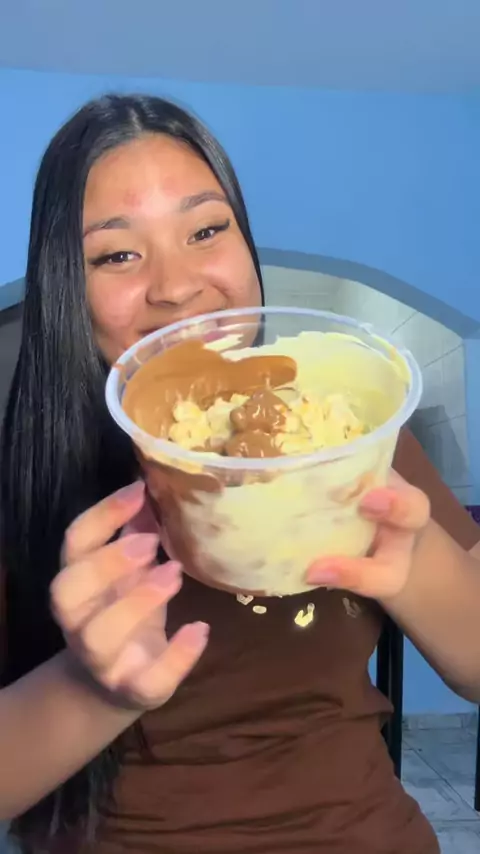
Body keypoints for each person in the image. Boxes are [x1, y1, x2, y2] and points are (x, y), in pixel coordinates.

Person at [0, 93, 479, 854]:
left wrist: (408, 553)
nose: (177, 285)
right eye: (117, 254)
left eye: (206, 230)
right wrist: (94, 687)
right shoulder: (21, 480)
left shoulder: (351, 438)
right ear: (66, 289)